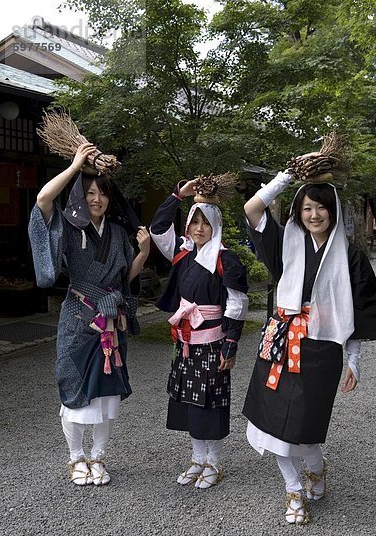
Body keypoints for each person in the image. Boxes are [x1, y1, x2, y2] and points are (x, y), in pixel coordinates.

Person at [242, 157, 376, 523]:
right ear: (298, 211)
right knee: (274, 422)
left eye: (321, 207)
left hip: (322, 349)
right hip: (279, 340)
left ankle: (316, 468)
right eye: (307, 207)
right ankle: (293, 491)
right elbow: (252, 207)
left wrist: (353, 360)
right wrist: (288, 174)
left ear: (333, 211)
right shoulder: (285, 244)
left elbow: (360, 313)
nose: (314, 214)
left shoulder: (351, 257)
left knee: (306, 426)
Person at [28, 143, 150, 486]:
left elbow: (124, 279)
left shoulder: (114, 232)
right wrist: (76, 165)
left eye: (102, 194)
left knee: (106, 396)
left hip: (110, 324)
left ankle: (98, 458)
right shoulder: (69, 228)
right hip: (78, 321)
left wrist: (142, 253)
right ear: (80, 196)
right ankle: (75, 458)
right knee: (74, 389)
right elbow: (42, 201)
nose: (97, 199)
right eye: (90, 193)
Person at [150, 177, 249, 488]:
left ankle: (214, 463)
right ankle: (197, 459)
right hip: (186, 341)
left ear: (215, 225)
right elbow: (157, 229)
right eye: (194, 223)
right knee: (189, 401)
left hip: (212, 341)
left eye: (206, 223)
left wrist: (230, 345)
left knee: (211, 402)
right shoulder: (183, 254)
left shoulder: (225, 259)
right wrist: (179, 195)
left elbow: (236, 304)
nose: (199, 229)